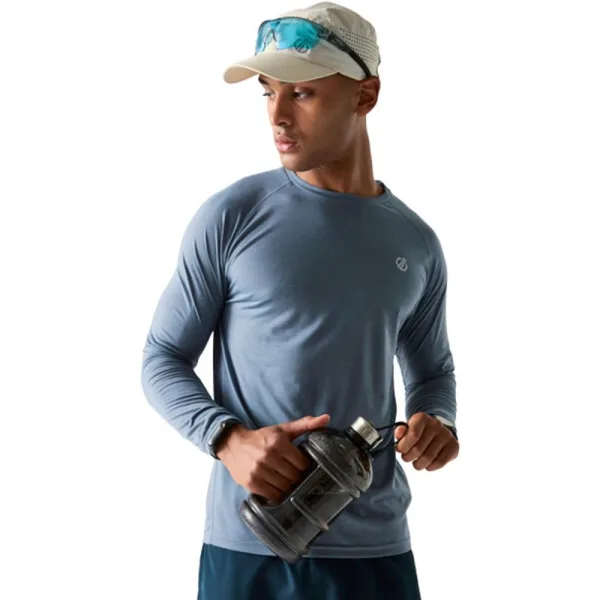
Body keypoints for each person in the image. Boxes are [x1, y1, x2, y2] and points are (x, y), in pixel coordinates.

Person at [140, 2, 460, 598]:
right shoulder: (233, 216)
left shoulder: (415, 243)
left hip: (375, 552)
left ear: (366, 95)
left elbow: (433, 371)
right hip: (250, 548)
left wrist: (436, 421)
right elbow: (162, 357)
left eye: (303, 93)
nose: (277, 115)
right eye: (268, 92)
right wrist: (227, 439)